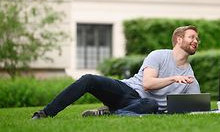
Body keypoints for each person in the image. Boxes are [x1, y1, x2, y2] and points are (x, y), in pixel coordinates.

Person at [32, 25, 201, 119]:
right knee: (89, 79)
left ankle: (109, 113)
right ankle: (45, 113)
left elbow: (198, 107)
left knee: (151, 104)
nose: (196, 41)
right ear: (179, 39)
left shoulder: (189, 76)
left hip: (142, 104)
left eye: (197, 39)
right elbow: (147, 84)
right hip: (126, 90)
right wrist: (173, 78)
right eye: (192, 37)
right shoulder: (158, 55)